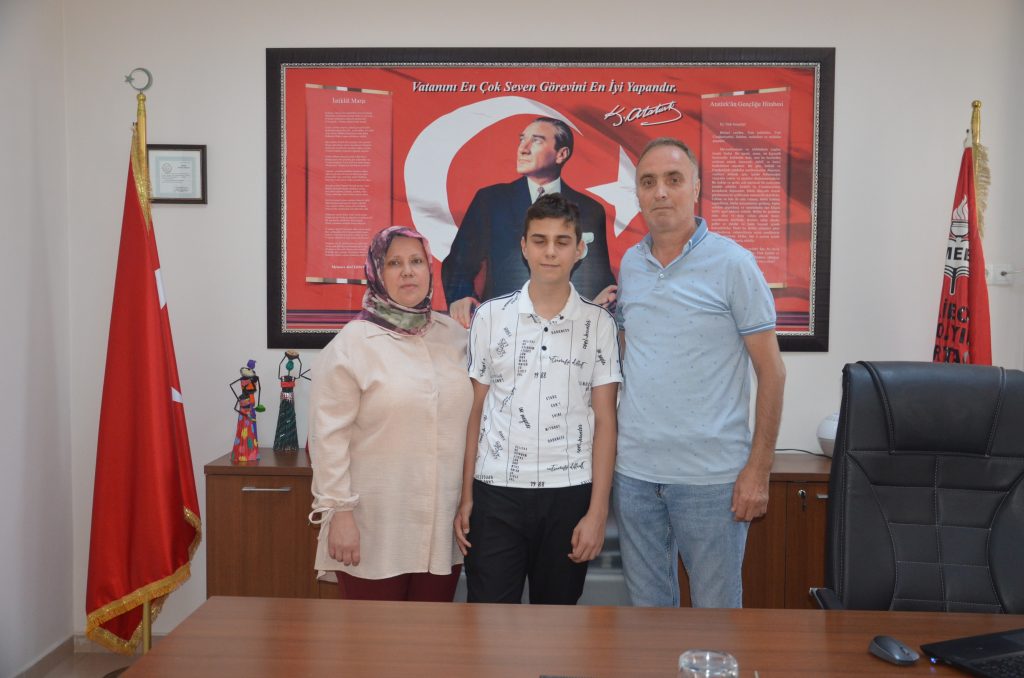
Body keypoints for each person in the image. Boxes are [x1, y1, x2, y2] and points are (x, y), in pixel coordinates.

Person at [612, 138, 786, 608]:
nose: (660, 192)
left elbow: (772, 373)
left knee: (716, 621)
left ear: (696, 188)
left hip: (711, 481)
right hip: (636, 476)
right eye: (648, 182)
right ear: (638, 194)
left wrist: (759, 470)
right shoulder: (631, 265)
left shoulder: (733, 264)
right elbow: (630, 353)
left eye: (673, 179)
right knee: (648, 620)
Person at [454, 192, 621, 605]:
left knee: (558, 627)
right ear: (524, 247)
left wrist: (597, 512)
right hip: (496, 492)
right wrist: (466, 496)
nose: (550, 251)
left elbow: (605, 421)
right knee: (489, 623)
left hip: (570, 494)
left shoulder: (599, 324)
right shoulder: (489, 317)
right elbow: (474, 412)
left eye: (562, 241)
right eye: (540, 240)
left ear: (579, 250)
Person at [308, 226, 473, 602]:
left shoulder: (454, 337)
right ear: (377, 273)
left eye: (416, 261)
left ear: (430, 269)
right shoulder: (352, 344)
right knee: (373, 636)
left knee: (432, 634)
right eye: (394, 263)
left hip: (442, 528)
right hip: (372, 527)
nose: (408, 271)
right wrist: (339, 515)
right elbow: (327, 439)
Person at [442, 116, 616, 327]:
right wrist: (462, 301)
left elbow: (600, 279)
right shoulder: (491, 201)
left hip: (569, 331)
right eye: (522, 139)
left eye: (536, 141)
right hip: (504, 328)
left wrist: (604, 301)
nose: (523, 149)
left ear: (561, 154)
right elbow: (458, 265)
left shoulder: (590, 210)